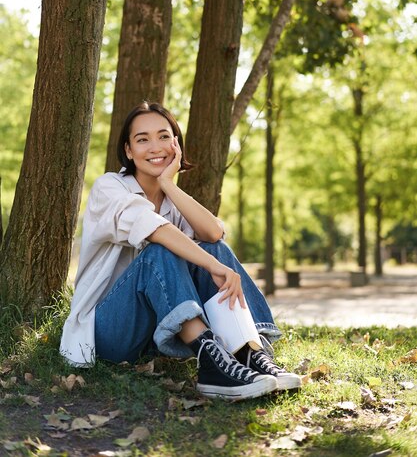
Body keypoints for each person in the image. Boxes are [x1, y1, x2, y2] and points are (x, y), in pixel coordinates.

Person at [60, 102, 301, 401]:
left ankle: (250, 352)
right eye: (142, 139)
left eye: (164, 136)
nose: (155, 146)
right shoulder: (110, 187)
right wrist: (214, 266)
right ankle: (212, 365)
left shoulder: (173, 201)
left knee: (213, 248)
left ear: (176, 143)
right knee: (159, 252)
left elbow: (213, 233)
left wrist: (167, 184)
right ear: (129, 150)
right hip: (111, 332)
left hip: (158, 336)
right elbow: (155, 230)